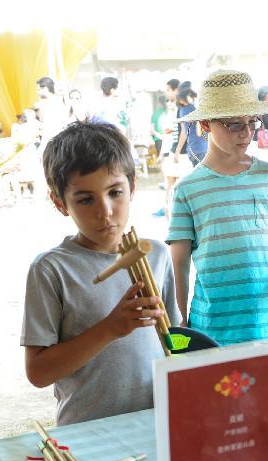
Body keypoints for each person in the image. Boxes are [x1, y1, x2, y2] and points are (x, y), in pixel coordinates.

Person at [22, 122, 181, 426]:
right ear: (60, 203)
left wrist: (194, 353)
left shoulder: (157, 254)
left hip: (157, 420)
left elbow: (175, 339)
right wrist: (111, 328)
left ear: (132, 187)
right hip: (87, 428)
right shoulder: (51, 269)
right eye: (85, 199)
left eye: (115, 192)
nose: (105, 211)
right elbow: (38, 373)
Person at [167, 69, 268, 346]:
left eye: (251, 122)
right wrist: (179, 319)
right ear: (206, 124)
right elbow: (179, 262)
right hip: (211, 329)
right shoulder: (187, 189)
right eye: (234, 125)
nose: (246, 133)